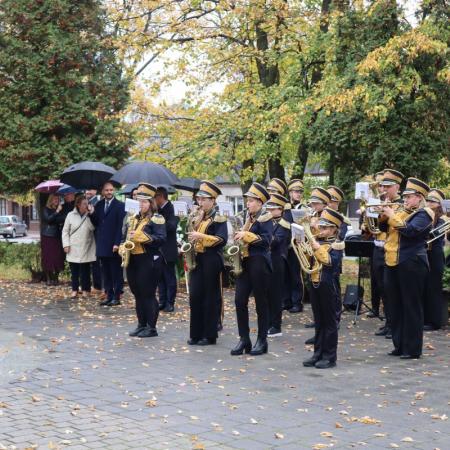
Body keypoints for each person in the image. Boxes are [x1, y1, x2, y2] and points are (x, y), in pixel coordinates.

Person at [380, 177, 433, 359]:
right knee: (394, 305)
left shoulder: (425, 214)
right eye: (405, 196)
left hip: (412, 262)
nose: (406, 199)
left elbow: (410, 231)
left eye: (410, 196)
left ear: (419, 197)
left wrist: (392, 215)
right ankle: (399, 345)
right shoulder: (401, 211)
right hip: (392, 261)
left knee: (411, 306)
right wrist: (383, 214)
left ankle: (412, 349)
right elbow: (382, 228)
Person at [231, 182, 273, 356]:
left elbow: (266, 240)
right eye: (247, 201)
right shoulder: (248, 219)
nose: (247, 204)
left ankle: (262, 340)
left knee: (261, 303)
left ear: (260, 202)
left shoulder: (266, 218)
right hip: (246, 262)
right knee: (240, 300)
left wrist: (245, 235)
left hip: (260, 262)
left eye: (251, 201)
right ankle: (244, 339)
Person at [186, 181, 228, 346]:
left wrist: (201, 237)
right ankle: (195, 333)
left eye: (204, 199)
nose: (200, 203)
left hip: (211, 259)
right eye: (199, 199)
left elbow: (222, 240)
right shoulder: (198, 216)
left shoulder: (218, 217)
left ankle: (209, 335)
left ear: (213, 200)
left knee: (210, 298)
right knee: (195, 296)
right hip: (198, 258)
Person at [123, 184, 166, 338]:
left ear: (150, 203)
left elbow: (161, 239)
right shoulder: (133, 218)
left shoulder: (157, 218)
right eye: (138, 201)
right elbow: (126, 236)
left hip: (149, 259)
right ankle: (141, 324)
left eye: (144, 201)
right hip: (134, 259)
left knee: (147, 293)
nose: (140, 204)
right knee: (137, 293)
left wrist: (142, 237)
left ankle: (151, 327)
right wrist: (123, 246)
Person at [303, 208, 344, 369]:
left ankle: (329, 356)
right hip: (315, 283)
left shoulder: (337, 245)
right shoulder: (318, 241)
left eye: (325, 228)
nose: (320, 230)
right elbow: (308, 259)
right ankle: (317, 353)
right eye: (320, 227)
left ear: (334, 229)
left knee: (329, 322)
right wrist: (304, 245)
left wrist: (314, 246)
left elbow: (329, 261)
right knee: (319, 321)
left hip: (329, 285)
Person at [374, 169, 404, 339]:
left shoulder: (400, 205)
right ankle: (388, 322)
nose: (384, 189)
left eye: (388, 186)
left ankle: (394, 325)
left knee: (392, 291)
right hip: (381, 248)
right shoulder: (385, 203)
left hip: (394, 250)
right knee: (383, 288)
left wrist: (387, 212)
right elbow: (380, 226)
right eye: (383, 186)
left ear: (397, 187)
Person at [89, 182, 126, 306]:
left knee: (116, 272)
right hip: (103, 244)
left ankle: (116, 297)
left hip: (114, 245)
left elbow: (120, 227)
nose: (109, 192)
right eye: (107, 190)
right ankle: (109, 296)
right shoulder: (99, 205)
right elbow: (97, 223)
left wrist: (117, 243)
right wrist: (91, 213)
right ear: (103, 192)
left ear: (114, 191)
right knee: (106, 273)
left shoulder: (120, 206)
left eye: (111, 190)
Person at [304, 187, 332, 343]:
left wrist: (312, 226)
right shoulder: (314, 215)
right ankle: (318, 331)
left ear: (323, 204)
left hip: (325, 257)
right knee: (315, 299)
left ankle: (325, 334)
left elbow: (325, 234)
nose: (313, 207)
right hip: (313, 258)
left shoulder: (329, 217)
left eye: (316, 204)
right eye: (312, 203)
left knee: (326, 302)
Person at [266, 193, 291, 338]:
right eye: (268, 208)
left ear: (280, 209)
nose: (269, 211)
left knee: (275, 295)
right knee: (267, 294)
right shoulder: (267, 222)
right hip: (267, 261)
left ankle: (276, 326)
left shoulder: (284, 225)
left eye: (272, 208)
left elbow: (275, 241)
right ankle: (268, 322)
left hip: (277, 261)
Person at [62, 196, 96, 298]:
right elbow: (65, 231)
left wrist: (91, 215)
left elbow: (93, 228)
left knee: (85, 270)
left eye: (87, 203)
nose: (86, 206)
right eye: (84, 204)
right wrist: (66, 244)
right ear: (78, 205)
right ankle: (74, 289)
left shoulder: (90, 215)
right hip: (73, 246)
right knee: (74, 270)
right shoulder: (70, 215)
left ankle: (86, 289)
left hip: (87, 245)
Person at [424, 189, 447, 331]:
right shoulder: (425, 215)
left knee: (434, 289)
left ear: (439, 204)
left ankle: (435, 322)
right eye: (427, 200)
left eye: (432, 201)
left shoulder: (443, 219)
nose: (428, 203)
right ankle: (426, 319)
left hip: (436, 256)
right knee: (425, 288)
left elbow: (435, 234)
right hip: (426, 254)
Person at [326, 185, 350, 320]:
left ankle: (335, 316)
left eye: (332, 201)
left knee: (333, 287)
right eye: (327, 201)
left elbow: (340, 237)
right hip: (320, 255)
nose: (329, 204)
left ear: (338, 203)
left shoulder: (342, 220)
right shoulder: (321, 217)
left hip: (333, 256)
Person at [154, 187, 180, 313]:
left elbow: (172, 226)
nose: (154, 200)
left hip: (168, 249)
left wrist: (159, 223)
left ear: (161, 197)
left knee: (169, 278)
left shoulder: (171, 208)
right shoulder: (157, 210)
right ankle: (162, 301)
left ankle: (170, 302)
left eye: (155, 197)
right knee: (159, 277)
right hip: (158, 249)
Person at [285, 179, 308, 313]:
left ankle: (297, 302)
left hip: (297, 245)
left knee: (295, 275)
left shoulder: (303, 208)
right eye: (295, 191)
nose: (298, 194)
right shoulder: (286, 207)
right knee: (286, 275)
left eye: (300, 192)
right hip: (286, 245)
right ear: (290, 193)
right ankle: (287, 301)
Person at [40, 194, 66, 286]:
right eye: (54, 199)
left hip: (57, 236)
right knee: (48, 257)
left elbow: (62, 219)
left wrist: (58, 213)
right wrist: (57, 212)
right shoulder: (45, 209)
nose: (56, 201)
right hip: (48, 235)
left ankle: (55, 278)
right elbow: (48, 220)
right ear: (50, 200)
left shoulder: (59, 210)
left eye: (58, 199)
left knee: (58, 257)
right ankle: (48, 278)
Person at [85, 189, 102, 295]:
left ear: (95, 191)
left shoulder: (98, 202)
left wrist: (92, 212)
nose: (88, 193)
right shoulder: (85, 202)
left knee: (97, 261)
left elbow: (98, 219)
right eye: (87, 191)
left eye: (90, 190)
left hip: (96, 234)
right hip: (86, 234)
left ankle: (99, 285)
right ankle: (94, 285)